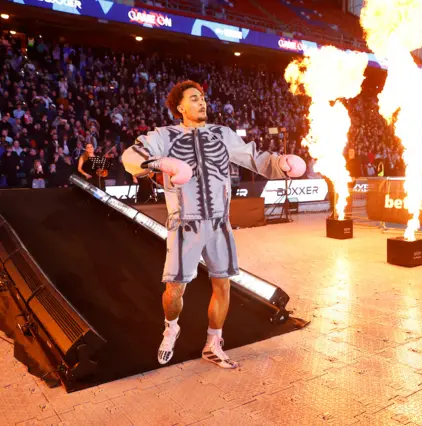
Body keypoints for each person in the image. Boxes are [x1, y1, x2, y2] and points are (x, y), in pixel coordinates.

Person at [122, 81, 306, 368]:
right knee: (174, 291)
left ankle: (213, 343)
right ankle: (171, 327)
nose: (202, 103)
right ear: (180, 107)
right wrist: (162, 164)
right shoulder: (164, 136)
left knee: (223, 284)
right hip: (184, 224)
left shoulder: (223, 134)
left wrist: (280, 163)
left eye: (203, 98)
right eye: (194, 99)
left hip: (220, 223)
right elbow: (132, 156)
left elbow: (255, 158)